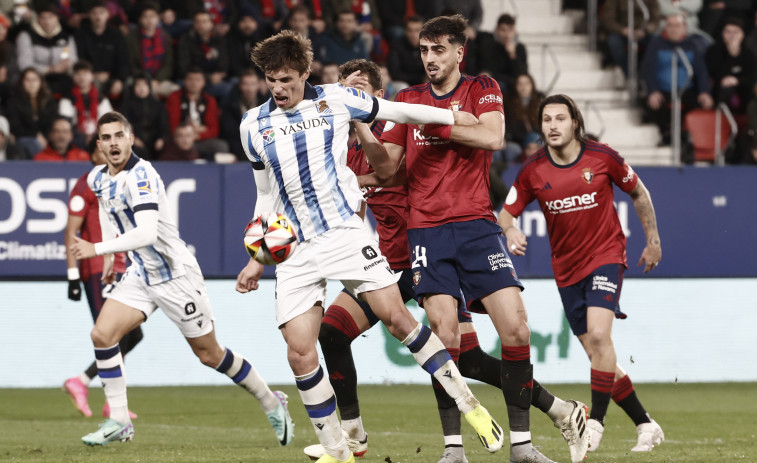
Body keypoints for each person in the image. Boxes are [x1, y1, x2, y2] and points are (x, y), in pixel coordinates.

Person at [301, 59, 590, 463]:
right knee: (457, 357)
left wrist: (358, 170)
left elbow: (394, 173)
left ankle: (364, 440)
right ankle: (560, 409)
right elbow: (358, 210)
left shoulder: (397, 129)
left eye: (362, 89)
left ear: (378, 97)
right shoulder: (345, 151)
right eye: (347, 88)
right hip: (393, 263)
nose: (354, 96)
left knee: (451, 351)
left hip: (425, 252)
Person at [236, 29, 505, 463]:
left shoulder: (338, 100)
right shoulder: (253, 124)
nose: (279, 88)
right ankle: (338, 451)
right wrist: (255, 258)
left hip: (345, 234)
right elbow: (265, 196)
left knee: (398, 318)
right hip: (297, 251)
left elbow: (401, 110)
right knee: (300, 352)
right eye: (271, 80)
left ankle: (470, 406)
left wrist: (452, 120)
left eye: (287, 79)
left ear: (305, 72)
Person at [375, 14, 565, 463]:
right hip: (426, 231)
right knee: (445, 338)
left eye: (439, 49)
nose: (430, 59)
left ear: (459, 52)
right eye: (424, 50)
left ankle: (521, 446)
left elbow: (493, 136)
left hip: (478, 227)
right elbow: (388, 169)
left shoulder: (482, 87)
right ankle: (454, 450)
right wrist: (368, 128)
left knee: (516, 329)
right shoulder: (407, 99)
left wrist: (437, 122)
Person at [69, 111, 294, 446]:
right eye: (106, 138)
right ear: (98, 145)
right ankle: (119, 421)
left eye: (119, 135)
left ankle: (270, 401)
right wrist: (107, 257)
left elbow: (145, 233)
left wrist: (96, 247)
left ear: (131, 138)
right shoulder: (97, 178)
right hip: (142, 274)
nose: (113, 143)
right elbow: (105, 209)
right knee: (102, 335)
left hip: (177, 277)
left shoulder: (142, 175)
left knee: (210, 354)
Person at [498, 93, 666, 454]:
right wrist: (511, 231)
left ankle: (595, 424)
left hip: (606, 256)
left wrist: (652, 240)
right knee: (597, 354)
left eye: (560, 118)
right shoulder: (533, 170)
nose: (553, 126)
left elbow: (638, 192)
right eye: (546, 120)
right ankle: (645, 424)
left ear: (575, 122)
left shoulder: (603, 157)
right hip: (566, 269)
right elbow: (505, 214)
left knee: (601, 337)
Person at [63, 138, 143, 420]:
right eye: (100, 148)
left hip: (120, 265)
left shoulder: (122, 181)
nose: (108, 151)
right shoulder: (84, 185)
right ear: (92, 154)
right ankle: (110, 401)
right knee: (111, 334)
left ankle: (83, 383)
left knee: (133, 334)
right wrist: (73, 275)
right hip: (96, 268)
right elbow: (70, 231)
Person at [641, 13, 713, 146]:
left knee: (699, 104)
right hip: (663, 90)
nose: (674, 29)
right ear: (665, 27)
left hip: (687, 89)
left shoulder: (692, 44)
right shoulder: (656, 44)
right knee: (653, 106)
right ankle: (666, 134)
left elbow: (701, 71)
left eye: (678, 26)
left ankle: (687, 137)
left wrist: (705, 92)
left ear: (684, 27)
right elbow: (648, 69)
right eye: (670, 25)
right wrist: (653, 91)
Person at [165, 67, 229, 161]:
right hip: (180, 139)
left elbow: (214, 129)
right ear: (185, 81)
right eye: (190, 79)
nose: (194, 83)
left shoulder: (209, 100)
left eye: (197, 80)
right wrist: (189, 134)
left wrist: (196, 135)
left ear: (203, 82)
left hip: (201, 140)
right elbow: (173, 125)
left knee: (221, 146)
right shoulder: (175, 97)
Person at [74, 0, 130, 101]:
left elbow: (123, 60)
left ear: (108, 14)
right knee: (92, 84)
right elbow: (80, 59)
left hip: (113, 76)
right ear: (89, 15)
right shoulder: (81, 35)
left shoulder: (116, 34)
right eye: (94, 13)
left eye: (101, 12)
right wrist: (92, 74)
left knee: (129, 84)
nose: (98, 17)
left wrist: (119, 79)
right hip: (90, 76)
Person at [15, 4, 77, 95]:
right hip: (36, 79)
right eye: (43, 18)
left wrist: (67, 64)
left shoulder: (66, 37)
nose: (47, 21)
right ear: (38, 19)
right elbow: (24, 65)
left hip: (62, 77)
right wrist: (50, 69)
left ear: (57, 18)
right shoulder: (26, 36)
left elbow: (73, 59)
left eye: (50, 17)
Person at [126, 1, 179, 98]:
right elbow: (129, 63)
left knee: (176, 91)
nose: (149, 20)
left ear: (158, 18)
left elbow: (168, 64)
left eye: (152, 16)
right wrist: (144, 79)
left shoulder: (165, 37)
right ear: (140, 19)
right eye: (145, 17)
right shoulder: (131, 38)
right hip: (137, 79)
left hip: (159, 80)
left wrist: (157, 80)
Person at [705, 17, 756, 117]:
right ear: (722, 34)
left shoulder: (748, 53)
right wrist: (731, 56)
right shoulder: (714, 51)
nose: (732, 36)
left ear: (742, 34)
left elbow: (752, 77)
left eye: (736, 32)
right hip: (720, 90)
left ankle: (750, 127)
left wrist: (737, 80)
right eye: (728, 32)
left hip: (744, 90)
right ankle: (720, 122)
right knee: (726, 89)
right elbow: (716, 74)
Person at [58, 60, 114, 148]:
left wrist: (94, 137)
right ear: (73, 77)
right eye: (78, 74)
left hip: (98, 137)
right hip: (75, 138)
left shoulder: (102, 99)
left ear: (92, 76)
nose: (82, 77)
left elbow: (108, 123)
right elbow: (66, 124)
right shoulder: (67, 99)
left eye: (85, 73)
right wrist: (84, 137)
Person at [6, 68, 59, 159]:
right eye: (28, 80)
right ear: (22, 82)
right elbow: (15, 127)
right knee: (32, 143)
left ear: (40, 82)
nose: (31, 83)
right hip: (24, 138)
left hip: (48, 138)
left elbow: (52, 122)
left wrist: (46, 137)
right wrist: (35, 135)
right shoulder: (14, 101)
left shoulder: (49, 101)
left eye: (34, 80)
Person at [600, 0, 660, 77]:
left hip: (643, 32)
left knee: (655, 42)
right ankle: (629, 75)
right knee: (614, 42)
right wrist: (622, 30)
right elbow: (608, 20)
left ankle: (646, 74)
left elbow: (655, 20)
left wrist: (645, 30)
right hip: (622, 31)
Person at [119, 72, 170, 160]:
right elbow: (123, 124)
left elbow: (164, 125)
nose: (141, 88)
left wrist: (161, 139)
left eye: (145, 85)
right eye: (138, 85)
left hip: (154, 140)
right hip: (134, 140)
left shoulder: (158, 105)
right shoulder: (126, 105)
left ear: (149, 87)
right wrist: (133, 138)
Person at [475, 14, 528, 93]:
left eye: (510, 30)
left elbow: (522, 75)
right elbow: (489, 71)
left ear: (514, 31)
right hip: (497, 84)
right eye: (503, 30)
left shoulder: (519, 48)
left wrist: (512, 56)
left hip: (514, 86)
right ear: (497, 30)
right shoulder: (488, 45)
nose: (507, 35)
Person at [386, 15, 426, 86]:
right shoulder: (397, 45)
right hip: (403, 83)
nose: (413, 35)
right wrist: (420, 78)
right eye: (410, 30)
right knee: (403, 86)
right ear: (405, 31)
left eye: (417, 30)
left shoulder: (429, 46)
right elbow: (394, 74)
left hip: (423, 82)